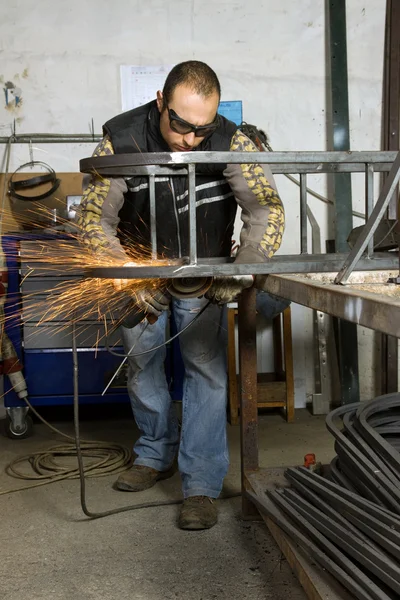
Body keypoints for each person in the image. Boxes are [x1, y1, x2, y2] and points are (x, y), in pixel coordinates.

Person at [78, 61, 285, 530]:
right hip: (141, 278)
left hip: (204, 275)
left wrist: (245, 269)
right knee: (142, 365)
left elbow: (265, 209)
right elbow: (93, 220)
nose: (191, 139)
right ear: (159, 102)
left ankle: (201, 485)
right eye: (181, 125)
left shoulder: (233, 142)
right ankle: (154, 455)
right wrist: (126, 278)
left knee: (206, 373)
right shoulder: (121, 139)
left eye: (202, 129)